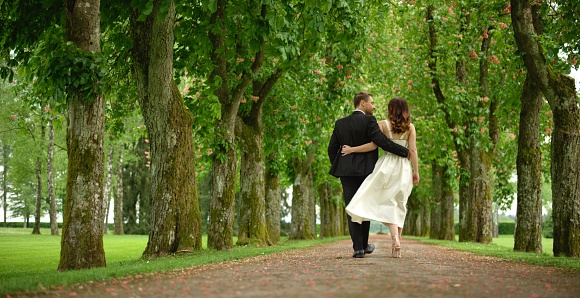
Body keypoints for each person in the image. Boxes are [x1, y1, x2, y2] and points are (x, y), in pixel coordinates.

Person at [328, 92, 410, 258]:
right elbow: (381, 141)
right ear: (362, 103)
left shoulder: (340, 123)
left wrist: (341, 165)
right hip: (366, 171)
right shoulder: (369, 121)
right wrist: (404, 151)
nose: (374, 106)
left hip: (346, 173)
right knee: (363, 206)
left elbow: (332, 149)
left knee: (352, 207)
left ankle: (358, 248)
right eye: (372, 103)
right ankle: (364, 245)